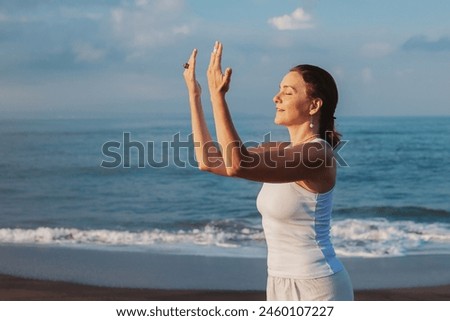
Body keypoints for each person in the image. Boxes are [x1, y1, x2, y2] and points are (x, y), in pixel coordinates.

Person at [182, 41, 353, 301]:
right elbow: (208, 160)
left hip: (317, 286)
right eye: (278, 90)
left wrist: (218, 97)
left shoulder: (318, 154)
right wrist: (195, 96)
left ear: (314, 105)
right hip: (277, 283)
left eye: (287, 92)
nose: (276, 97)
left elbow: (239, 164)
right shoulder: (278, 149)